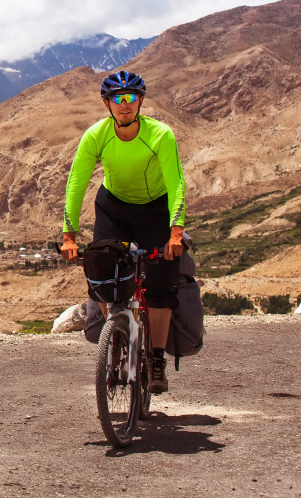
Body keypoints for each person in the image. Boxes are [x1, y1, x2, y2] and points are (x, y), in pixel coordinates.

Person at [60, 70, 186, 394]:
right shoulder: (95, 136)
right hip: (113, 208)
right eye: (118, 99)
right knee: (102, 269)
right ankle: (116, 336)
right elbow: (76, 183)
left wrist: (175, 232)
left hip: (155, 211)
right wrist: (69, 236)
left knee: (160, 282)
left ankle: (155, 359)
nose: (124, 105)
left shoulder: (161, 135)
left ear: (140, 101)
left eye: (130, 98)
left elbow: (176, 184)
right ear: (107, 104)